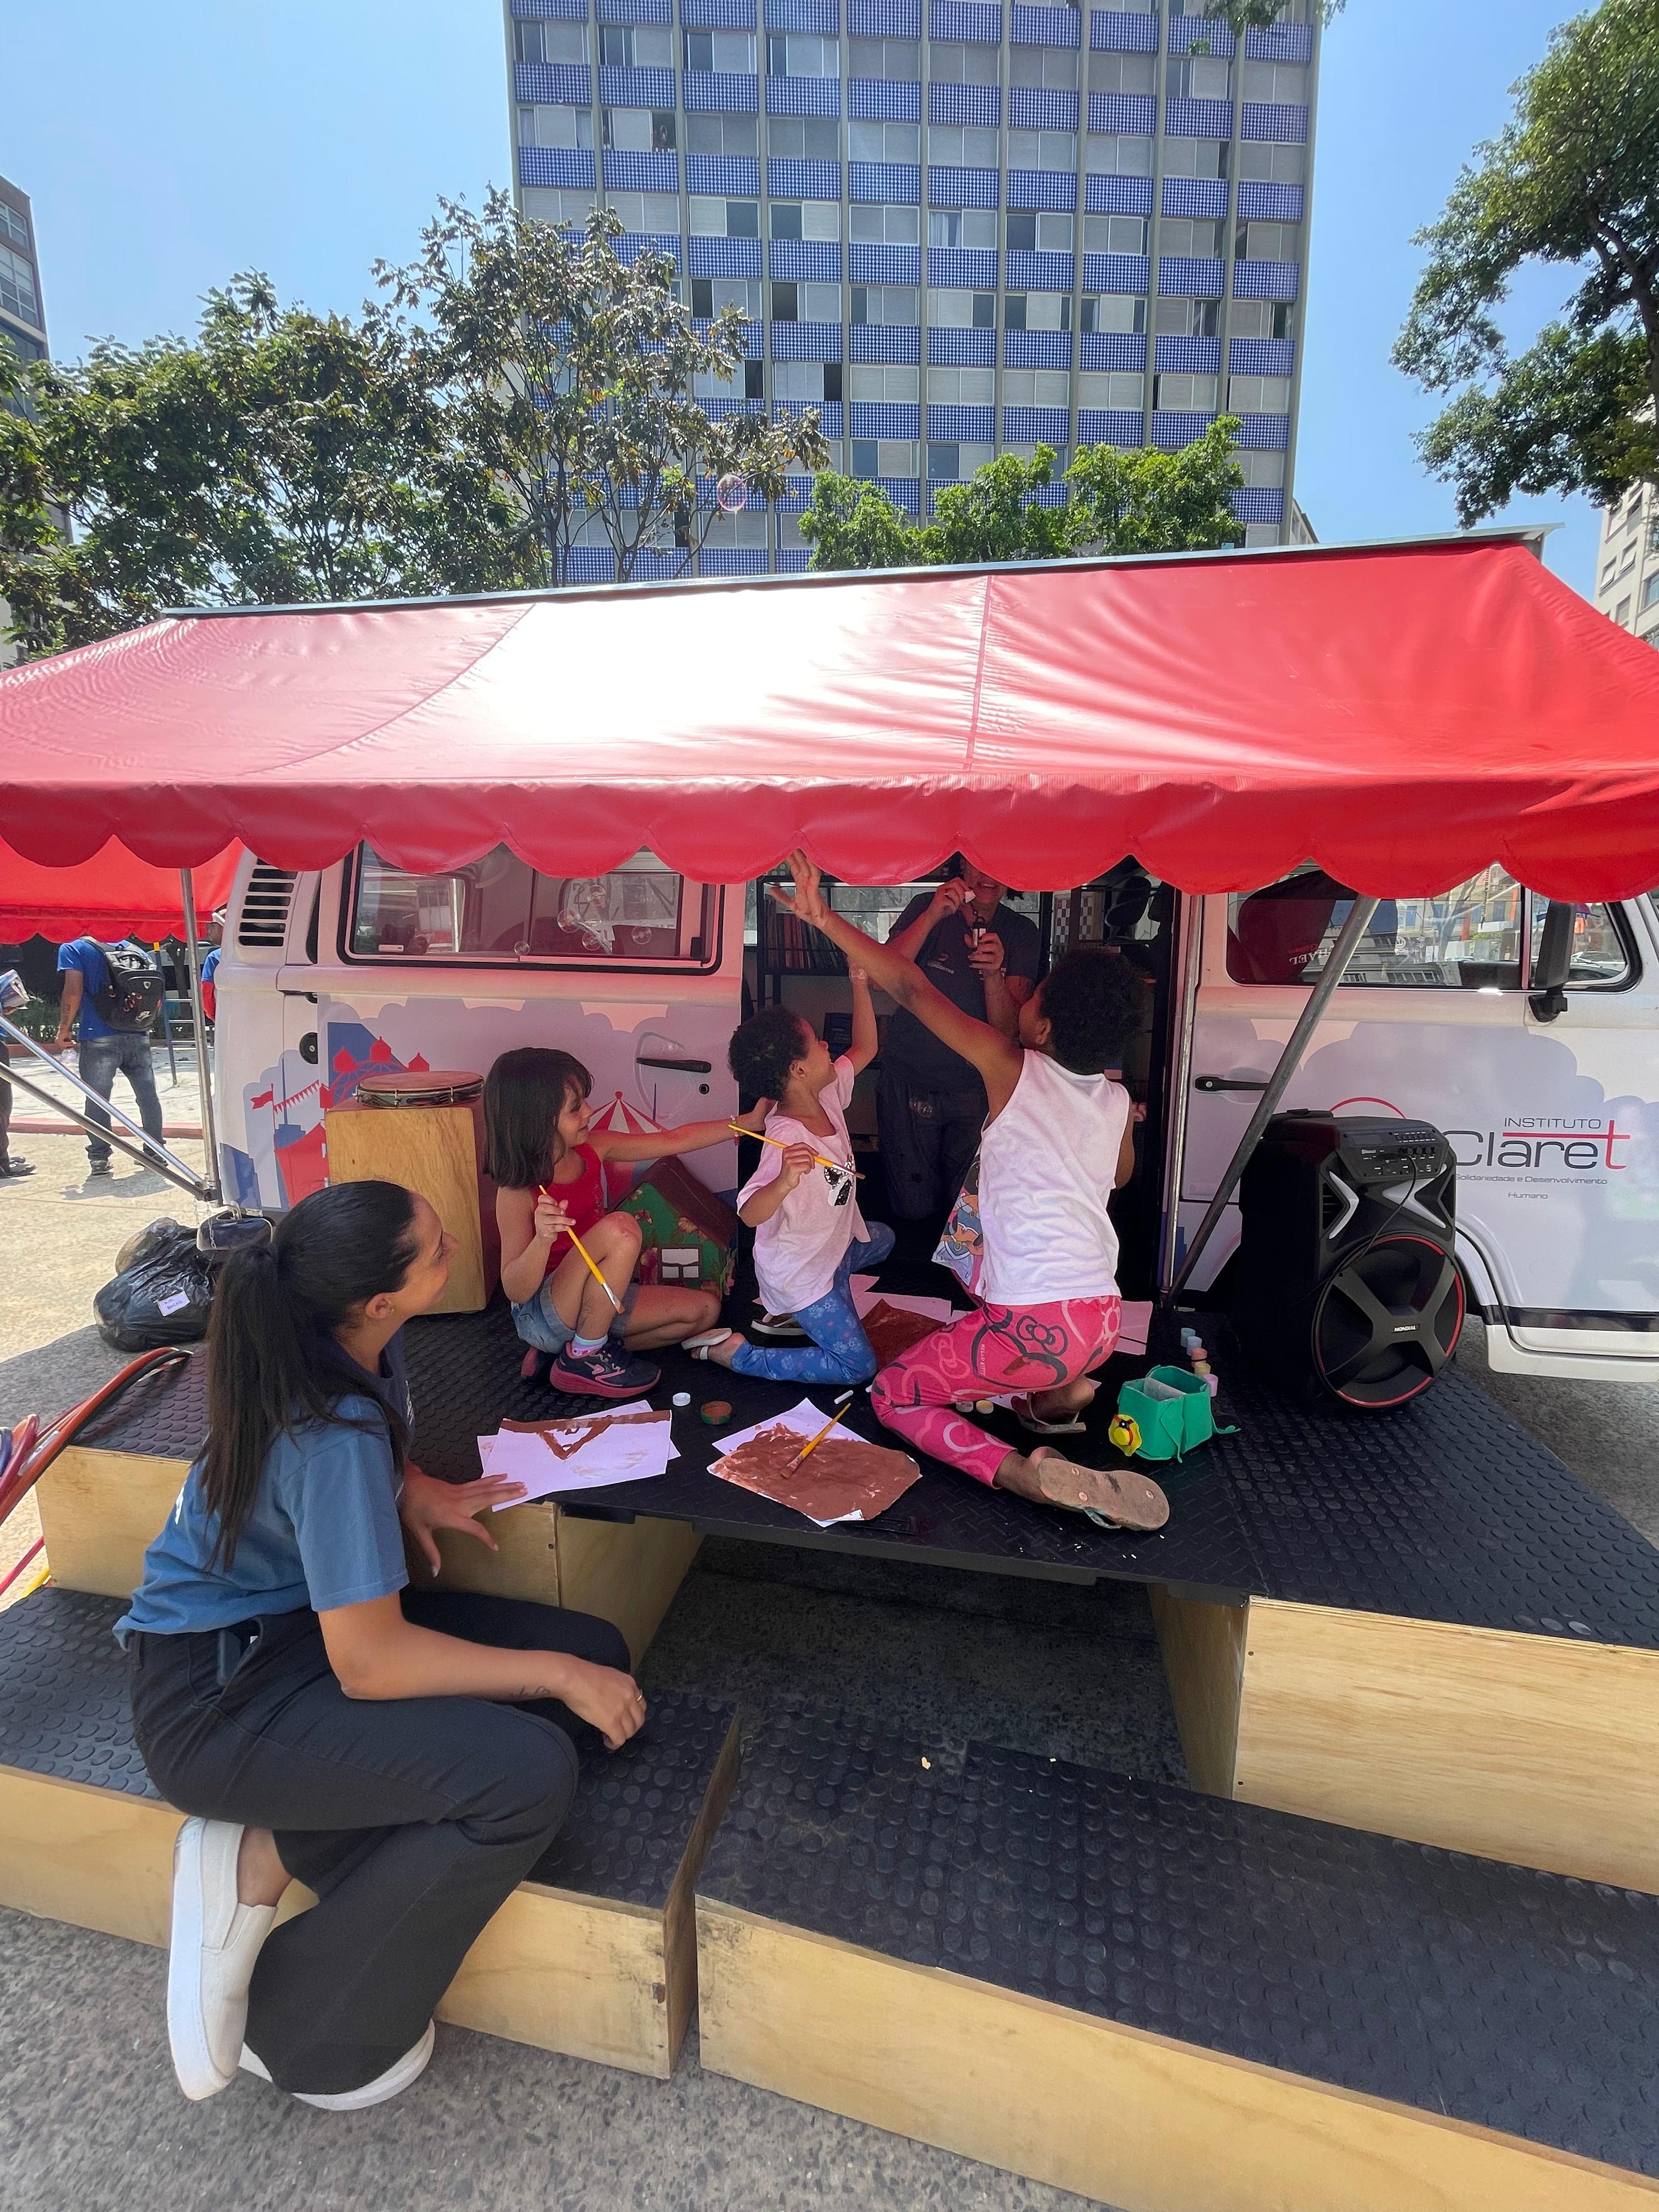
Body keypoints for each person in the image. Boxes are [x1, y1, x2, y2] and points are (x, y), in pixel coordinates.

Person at [118, 1180, 650, 2109]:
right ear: (378, 1299)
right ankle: (306, 2029)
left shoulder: (330, 1339)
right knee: (527, 1772)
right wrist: (552, 1675)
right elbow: (372, 1662)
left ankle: (289, 1839)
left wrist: (408, 1485)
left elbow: (357, 1442)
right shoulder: (330, 1429)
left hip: (289, 1639)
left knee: (596, 1647)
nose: (457, 1248)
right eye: (438, 1247)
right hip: (219, 1702)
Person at [770, 853, 1167, 1528]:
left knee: (896, 1394)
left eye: (1032, 994)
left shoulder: (1010, 1066)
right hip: (1102, 1323)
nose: (1022, 994)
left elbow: (912, 988)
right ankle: (1061, 1400)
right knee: (972, 1253)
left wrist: (823, 916)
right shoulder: (1113, 1096)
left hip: (1033, 1330)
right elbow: (1122, 1177)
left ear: (1040, 1028)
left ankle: (1021, 1473)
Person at [486, 1047, 763, 1401]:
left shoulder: (596, 1147)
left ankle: (570, 1352)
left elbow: (673, 1140)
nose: (589, 1112)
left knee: (704, 1312)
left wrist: (746, 1124)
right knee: (620, 1228)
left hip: (597, 1299)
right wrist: (542, 1240)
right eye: (575, 1108)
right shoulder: (516, 1192)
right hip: (543, 1312)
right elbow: (515, 1291)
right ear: (536, 1120)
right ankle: (585, 1354)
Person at [702, 966, 893, 1384]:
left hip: (830, 1247)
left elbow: (865, 1046)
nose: (828, 1046)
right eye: (817, 1044)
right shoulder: (786, 1137)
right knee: (859, 1368)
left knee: (885, 1238)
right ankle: (742, 1354)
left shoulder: (824, 1092)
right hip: (802, 1275)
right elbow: (750, 1214)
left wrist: (860, 981)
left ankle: (798, 1312)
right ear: (798, 1070)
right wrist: (784, 1181)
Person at [876, 861, 1043, 1221]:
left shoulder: (1020, 932)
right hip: (908, 1078)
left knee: (967, 1210)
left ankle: (956, 1276)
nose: (988, 874)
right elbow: (878, 979)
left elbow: (1010, 1032)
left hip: (978, 1089)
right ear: (961, 865)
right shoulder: (926, 906)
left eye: (996, 864)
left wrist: (994, 975)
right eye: (977, 862)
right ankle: (915, 1270)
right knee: (911, 1208)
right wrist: (934, 913)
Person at [51, 928, 166, 1178]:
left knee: (98, 1099)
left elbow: (73, 990)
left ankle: (100, 1158)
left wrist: (64, 1029)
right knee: (147, 1095)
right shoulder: (133, 949)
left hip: (98, 1033)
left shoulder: (73, 948)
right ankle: (156, 1152)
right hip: (137, 1032)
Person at [199, 908, 227, 1028]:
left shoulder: (214, 957)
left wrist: (214, 1016)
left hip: (225, 1016)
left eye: (213, 926)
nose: (208, 932)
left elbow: (206, 991)